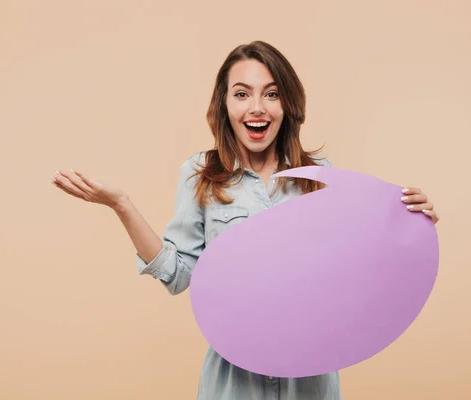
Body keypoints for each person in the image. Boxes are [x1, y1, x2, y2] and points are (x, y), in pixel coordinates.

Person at [50, 40, 439, 400]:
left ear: (287, 105)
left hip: (310, 379)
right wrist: (122, 205)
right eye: (242, 94)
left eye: (271, 94)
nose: (257, 107)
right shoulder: (200, 173)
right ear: (225, 105)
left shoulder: (320, 176)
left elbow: (355, 272)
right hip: (232, 381)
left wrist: (412, 225)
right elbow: (180, 275)